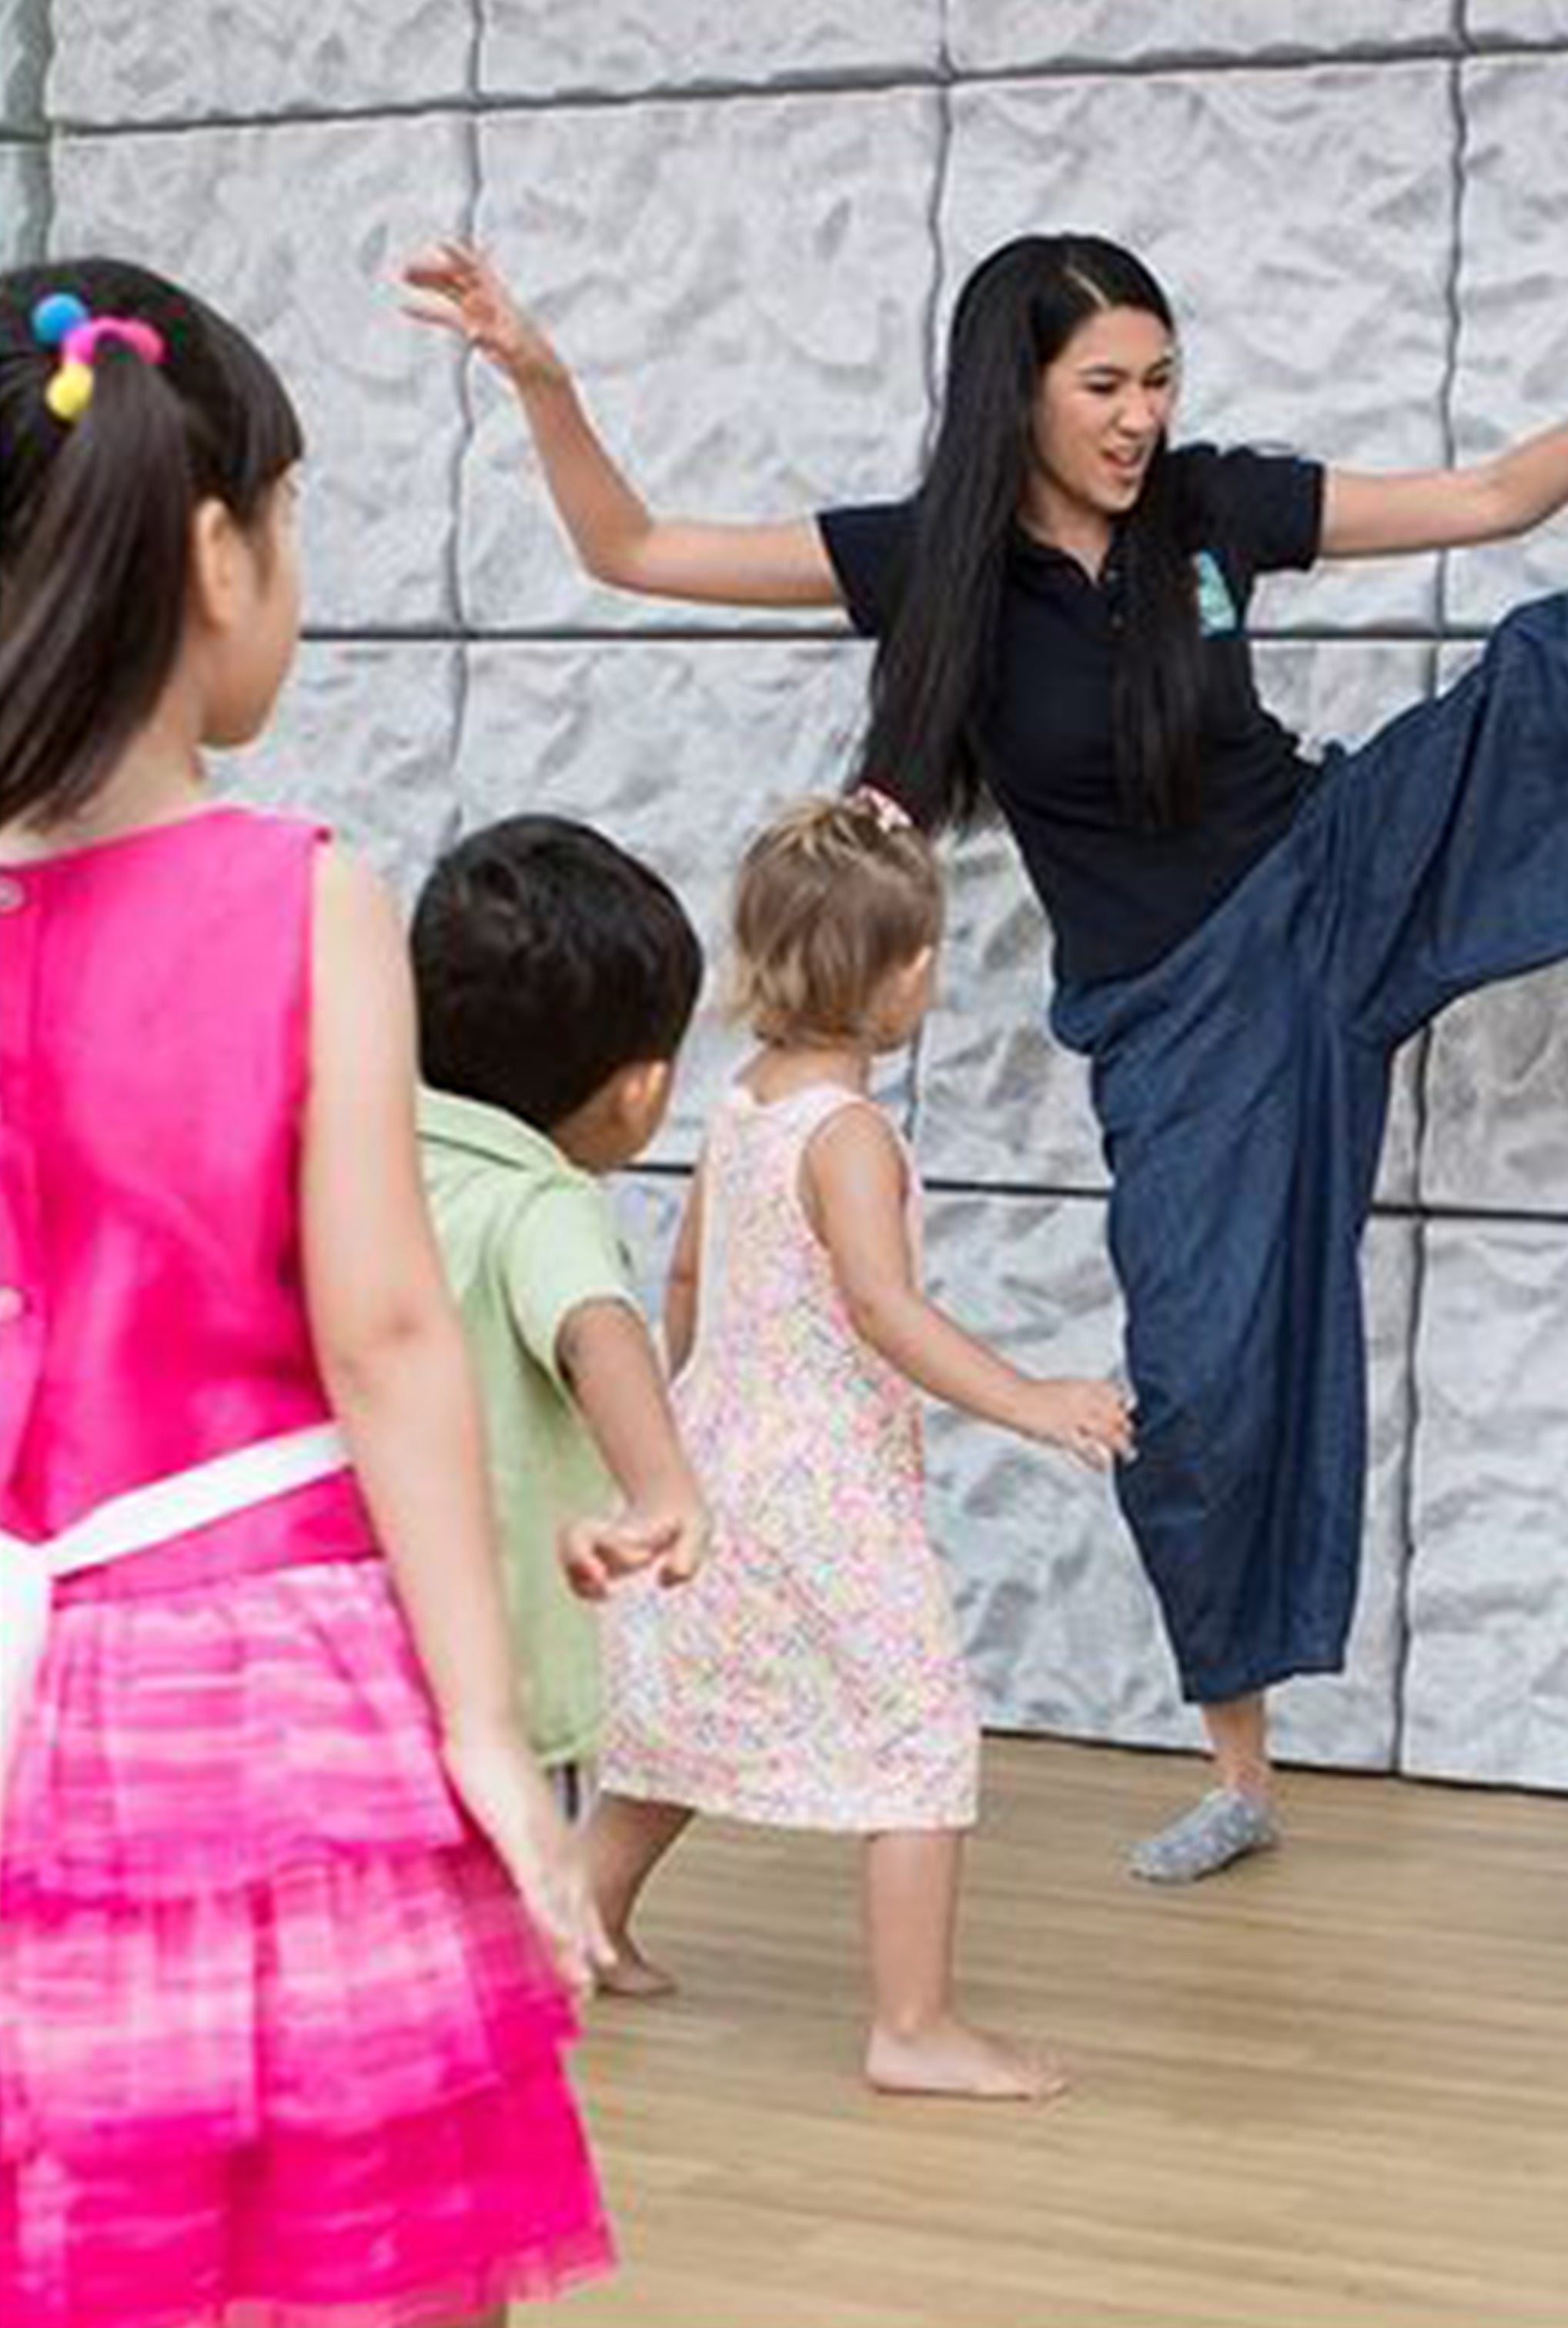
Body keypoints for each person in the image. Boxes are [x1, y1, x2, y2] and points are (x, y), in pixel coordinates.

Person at [406, 231, 1568, 1881]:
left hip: (1333, 871)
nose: (1140, 417)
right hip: (1181, 1009)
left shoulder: (1212, 507)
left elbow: (1490, 498)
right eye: (1104, 385)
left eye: (1158, 380)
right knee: (1204, 1373)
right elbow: (630, 550)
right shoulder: (924, 559)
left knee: (1560, 671)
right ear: (1016, 387)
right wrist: (542, 374)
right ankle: (1243, 1771)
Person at [1, 258, 610, 2326]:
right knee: (366, 2248)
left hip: (23, 1679)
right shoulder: (301, 899)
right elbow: (386, 1333)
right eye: (292, 520)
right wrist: (490, 1739)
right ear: (211, 555)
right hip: (262, 1683)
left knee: (89, 2238)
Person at [589, 794, 1132, 2099]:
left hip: (722, 1450)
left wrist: (682, 1435)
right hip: (820, 1480)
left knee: (695, 1705)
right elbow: (884, 1310)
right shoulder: (850, 1136)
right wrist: (1030, 1399)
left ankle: (579, 1915)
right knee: (922, 1729)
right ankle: (913, 2026)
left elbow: (685, 1280)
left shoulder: (744, 1105)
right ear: (902, 978)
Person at [413, 813, 714, 1808]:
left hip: (358, 1663)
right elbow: (597, 1326)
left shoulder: (360, 1160)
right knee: (520, 1937)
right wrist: (663, 1484)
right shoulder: (541, 1204)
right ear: (640, 1093)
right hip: (511, 1681)